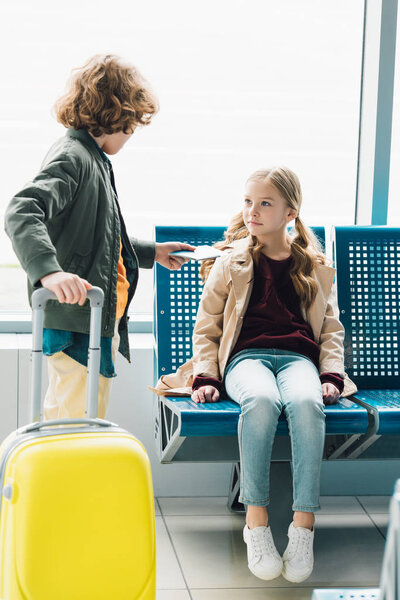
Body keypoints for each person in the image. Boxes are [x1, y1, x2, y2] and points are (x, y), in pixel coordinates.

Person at [153, 166, 357, 583]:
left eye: (265, 203)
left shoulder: (312, 266)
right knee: (261, 402)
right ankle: (257, 522)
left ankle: (303, 527)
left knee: (306, 402)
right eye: (248, 201)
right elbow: (207, 328)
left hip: (298, 359)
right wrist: (207, 377)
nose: (253, 211)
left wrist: (331, 376)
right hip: (246, 359)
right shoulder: (231, 263)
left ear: (290, 213)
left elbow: (331, 331)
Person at [5, 54, 194, 420]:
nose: (131, 135)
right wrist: (50, 272)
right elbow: (22, 210)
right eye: (132, 126)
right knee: (77, 425)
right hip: (77, 323)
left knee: (71, 415)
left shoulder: (92, 159)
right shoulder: (74, 158)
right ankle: (67, 478)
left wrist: (150, 252)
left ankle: (62, 475)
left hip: (92, 321)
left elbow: (98, 240)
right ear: (116, 116)